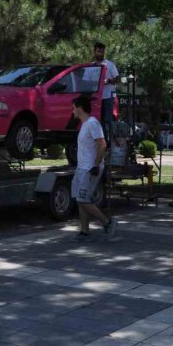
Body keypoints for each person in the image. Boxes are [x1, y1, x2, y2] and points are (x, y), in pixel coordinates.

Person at [71, 95, 118, 241]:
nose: (72, 111)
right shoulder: (84, 124)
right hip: (82, 168)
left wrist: (96, 165)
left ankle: (108, 222)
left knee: (83, 199)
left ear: (79, 108)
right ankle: (84, 231)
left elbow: (102, 144)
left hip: (90, 168)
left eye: (73, 108)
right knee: (80, 199)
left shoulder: (92, 123)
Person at [92, 42, 120, 123]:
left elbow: (117, 79)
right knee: (96, 120)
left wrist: (108, 81)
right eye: (98, 51)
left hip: (108, 97)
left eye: (102, 52)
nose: (100, 54)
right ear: (94, 52)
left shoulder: (110, 64)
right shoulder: (91, 66)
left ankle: (107, 135)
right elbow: (86, 81)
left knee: (107, 121)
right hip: (95, 97)